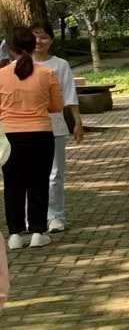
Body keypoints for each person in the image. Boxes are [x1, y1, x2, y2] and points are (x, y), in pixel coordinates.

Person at [0, 28, 61, 250]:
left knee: (12, 185)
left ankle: (15, 235)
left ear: (10, 49)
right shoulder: (47, 73)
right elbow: (56, 106)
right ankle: (37, 231)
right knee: (39, 183)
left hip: (10, 136)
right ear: (33, 45)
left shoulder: (1, 75)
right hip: (40, 134)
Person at [30, 23, 81, 233]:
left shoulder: (60, 65)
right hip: (26, 124)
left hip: (55, 122)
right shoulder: (20, 65)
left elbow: (70, 94)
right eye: (34, 37)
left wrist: (77, 121)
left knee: (55, 173)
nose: (39, 41)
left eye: (44, 37)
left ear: (51, 40)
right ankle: (33, 217)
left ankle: (56, 216)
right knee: (30, 174)